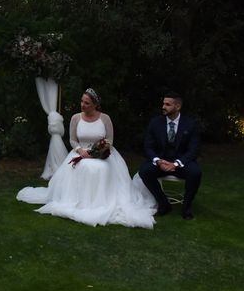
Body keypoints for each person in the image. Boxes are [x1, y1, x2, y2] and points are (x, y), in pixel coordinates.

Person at [17, 88, 156, 228]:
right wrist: (80, 150)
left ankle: (101, 202)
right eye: (82, 101)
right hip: (80, 152)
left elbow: (110, 141)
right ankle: (80, 201)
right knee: (82, 166)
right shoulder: (75, 118)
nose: (83, 105)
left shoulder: (105, 118)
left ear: (95, 104)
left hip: (103, 154)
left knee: (100, 168)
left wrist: (97, 152)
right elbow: (72, 140)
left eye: (87, 103)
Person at [138, 91, 201, 220]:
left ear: (177, 107)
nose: (163, 106)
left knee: (195, 173)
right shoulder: (155, 123)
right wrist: (158, 161)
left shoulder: (191, 124)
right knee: (144, 171)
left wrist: (176, 164)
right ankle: (163, 204)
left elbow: (194, 150)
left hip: (182, 162)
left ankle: (186, 207)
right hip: (161, 161)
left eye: (167, 104)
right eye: (163, 103)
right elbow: (148, 147)